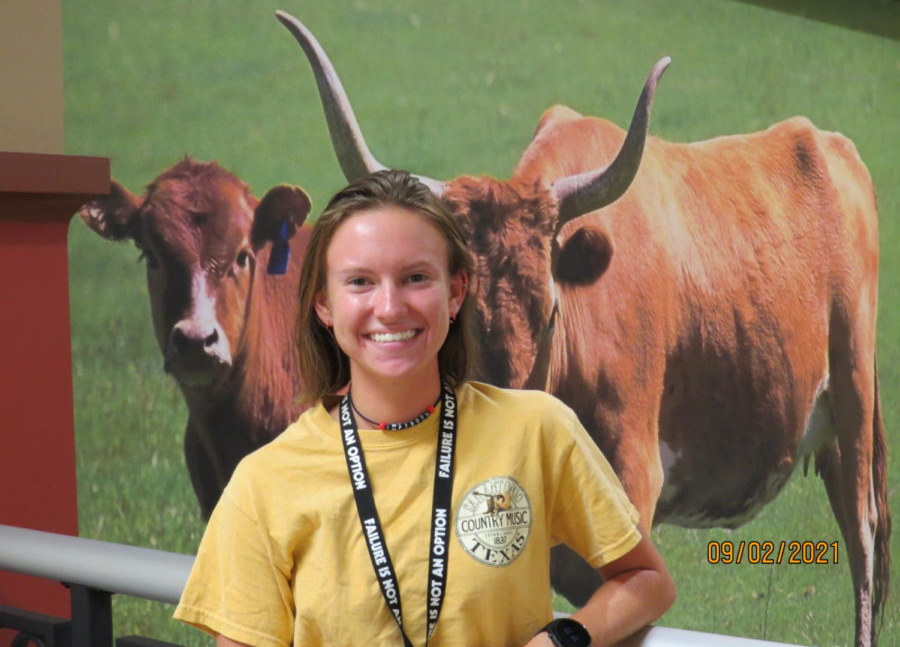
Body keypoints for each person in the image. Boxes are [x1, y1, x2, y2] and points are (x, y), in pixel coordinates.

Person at [174, 170, 675, 646]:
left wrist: (563, 639)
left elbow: (646, 579)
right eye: (360, 282)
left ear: (455, 293)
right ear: (324, 305)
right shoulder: (262, 485)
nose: (390, 307)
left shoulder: (538, 428)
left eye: (415, 277)